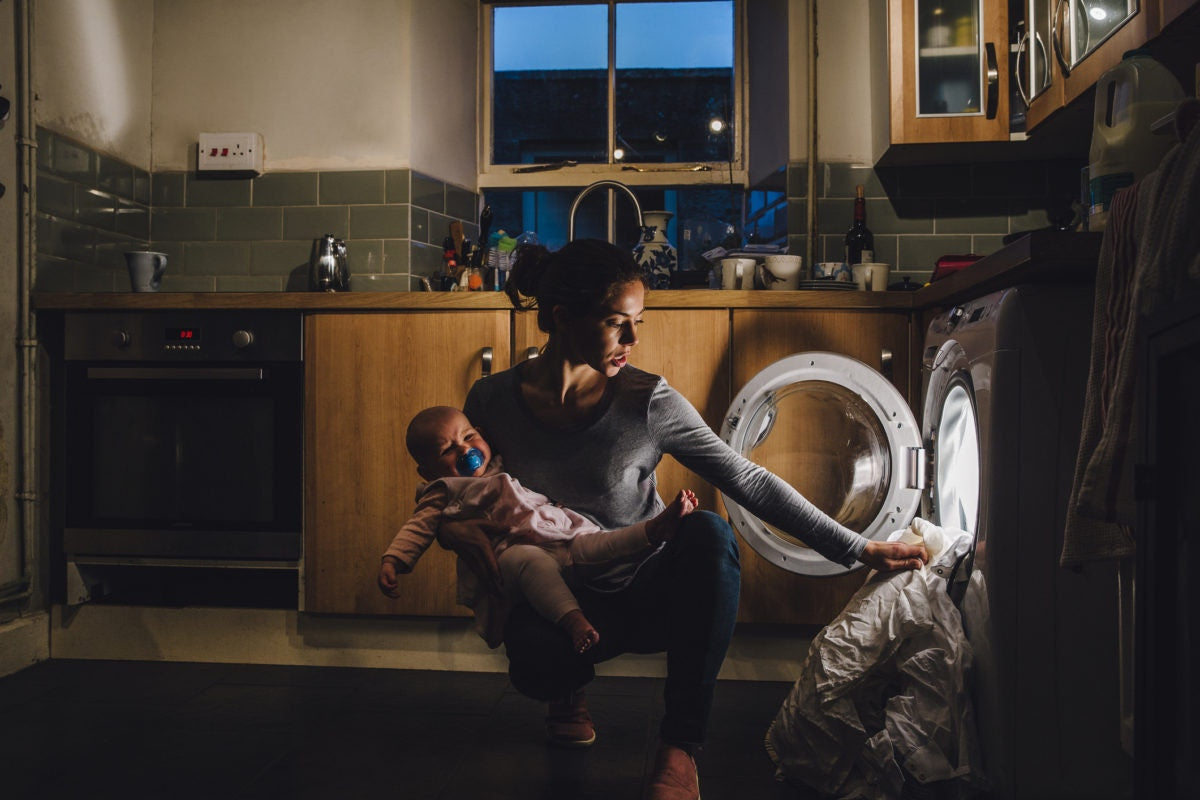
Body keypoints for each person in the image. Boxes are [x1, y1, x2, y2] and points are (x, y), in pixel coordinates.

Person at [438, 238, 928, 800]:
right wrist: (451, 527)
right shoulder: (491, 399)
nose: (634, 339)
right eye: (616, 323)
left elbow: (746, 479)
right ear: (561, 319)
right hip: (557, 598)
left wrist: (859, 549)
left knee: (709, 535)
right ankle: (566, 688)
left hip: (646, 591)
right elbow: (457, 488)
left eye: (638, 322)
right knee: (537, 667)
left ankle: (679, 748)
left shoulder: (648, 401)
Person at [378, 404, 699, 655]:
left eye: (468, 437)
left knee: (596, 543)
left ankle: (653, 531)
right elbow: (418, 527)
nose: (464, 451)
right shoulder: (442, 490)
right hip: (509, 553)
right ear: (427, 470)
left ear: (481, 433)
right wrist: (394, 561)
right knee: (533, 564)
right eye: (447, 450)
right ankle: (574, 621)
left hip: (554, 531)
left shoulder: (499, 464)